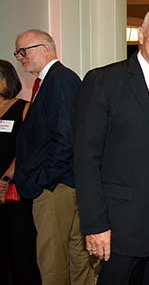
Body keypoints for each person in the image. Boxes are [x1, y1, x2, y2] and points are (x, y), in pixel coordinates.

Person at [74, 8, 149, 285]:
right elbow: (86, 159)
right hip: (120, 223)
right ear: (142, 36)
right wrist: (96, 224)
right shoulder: (104, 81)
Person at [13, 30, 96, 285]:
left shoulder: (59, 80)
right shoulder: (54, 80)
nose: (20, 57)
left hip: (55, 187)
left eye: (24, 51)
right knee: (75, 258)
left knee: (53, 264)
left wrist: (42, 180)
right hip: (62, 184)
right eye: (18, 53)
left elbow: (65, 138)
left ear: (46, 48)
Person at [0, 59, 40, 285]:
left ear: (6, 80)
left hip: (15, 190)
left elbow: (27, 150)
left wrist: (5, 178)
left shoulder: (24, 108)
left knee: (21, 251)